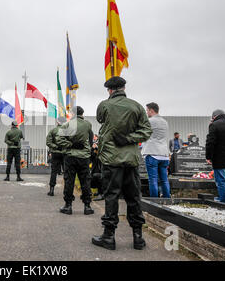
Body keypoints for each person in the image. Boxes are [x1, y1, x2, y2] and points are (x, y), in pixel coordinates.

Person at [92, 76, 152, 251]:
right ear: (124, 88)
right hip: (131, 159)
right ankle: (138, 237)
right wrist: (128, 138)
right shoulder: (137, 106)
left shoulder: (104, 105)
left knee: (111, 196)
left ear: (110, 90)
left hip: (111, 159)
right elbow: (147, 131)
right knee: (134, 197)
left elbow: (100, 119)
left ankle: (109, 236)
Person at [56, 106, 94, 215]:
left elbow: (59, 139)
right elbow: (90, 139)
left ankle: (68, 206)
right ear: (82, 113)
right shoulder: (88, 124)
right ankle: (87, 206)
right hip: (84, 157)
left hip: (71, 156)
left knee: (69, 180)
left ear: (72, 113)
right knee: (85, 181)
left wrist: (70, 144)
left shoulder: (68, 124)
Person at [142, 103, 171, 198]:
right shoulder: (165, 122)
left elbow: (142, 134)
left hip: (152, 152)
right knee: (164, 179)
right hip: (164, 154)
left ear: (151, 110)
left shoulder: (149, 121)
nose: (146, 112)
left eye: (147, 110)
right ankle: (167, 199)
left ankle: (154, 201)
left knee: (153, 180)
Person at [45, 116, 67, 196]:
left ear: (57, 122)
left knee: (54, 172)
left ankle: (51, 190)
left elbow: (48, 142)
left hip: (55, 153)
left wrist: (55, 146)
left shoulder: (53, 131)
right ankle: (66, 191)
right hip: (65, 153)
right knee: (66, 172)